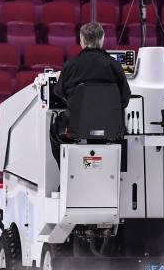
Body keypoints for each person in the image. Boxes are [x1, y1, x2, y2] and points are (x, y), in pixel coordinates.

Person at [51, 22, 131, 166]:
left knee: (54, 128)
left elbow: (59, 92)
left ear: (81, 40)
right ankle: (117, 172)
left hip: (76, 127)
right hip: (111, 128)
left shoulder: (71, 65)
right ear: (102, 39)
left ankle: (64, 172)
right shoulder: (114, 65)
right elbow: (124, 99)